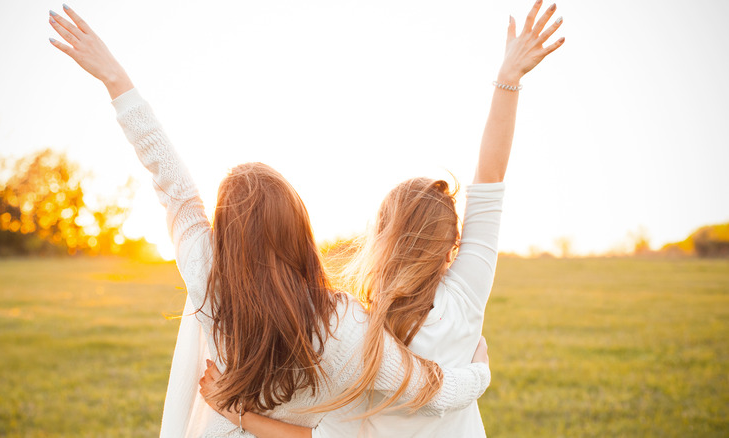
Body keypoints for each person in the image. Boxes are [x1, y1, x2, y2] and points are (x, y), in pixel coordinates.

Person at [48, 4, 494, 438]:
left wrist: (115, 79)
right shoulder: (342, 324)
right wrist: (479, 374)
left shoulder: (210, 277)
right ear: (301, 230)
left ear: (225, 237)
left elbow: (173, 184)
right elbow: (431, 390)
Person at [199, 0, 564, 436]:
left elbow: (315, 437)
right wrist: (508, 79)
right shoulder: (465, 297)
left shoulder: (353, 327)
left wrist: (239, 414)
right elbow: (490, 179)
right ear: (453, 244)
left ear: (380, 235)